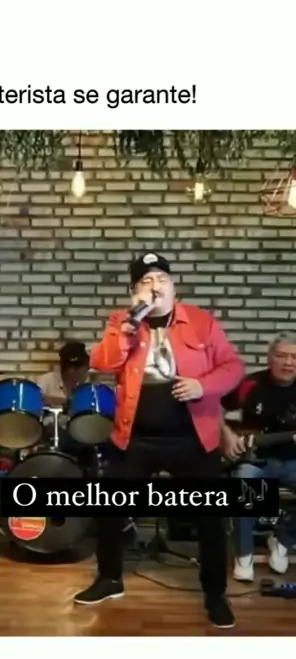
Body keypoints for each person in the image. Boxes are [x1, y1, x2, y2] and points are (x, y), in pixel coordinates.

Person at [73, 252, 245, 629]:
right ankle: (109, 578)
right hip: (135, 438)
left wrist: (203, 385)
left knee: (211, 519)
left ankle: (215, 592)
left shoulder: (200, 321)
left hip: (192, 438)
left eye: (162, 279)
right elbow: (102, 363)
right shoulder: (122, 321)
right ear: (134, 291)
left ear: (174, 287)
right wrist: (130, 326)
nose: (156, 286)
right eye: (147, 281)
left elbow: (233, 367)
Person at [221, 332, 296, 582]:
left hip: (293, 461)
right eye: (281, 356)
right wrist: (227, 436)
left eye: (294, 357)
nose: (288, 363)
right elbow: (213, 407)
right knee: (246, 485)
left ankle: (283, 540)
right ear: (269, 358)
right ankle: (244, 555)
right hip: (256, 460)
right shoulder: (250, 384)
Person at [38, 340, 90, 405]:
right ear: (71, 370)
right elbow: (34, 401)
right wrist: (67, 402)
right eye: (86, 368)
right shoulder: (47, 380)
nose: (87, 371)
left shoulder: (88, 387)